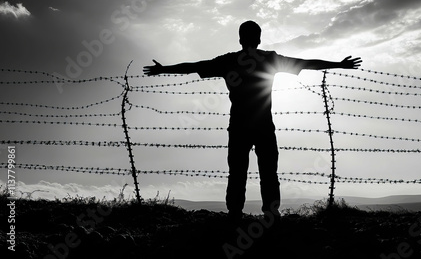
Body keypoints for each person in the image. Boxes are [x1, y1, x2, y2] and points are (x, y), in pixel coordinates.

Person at [143, 20, 362, 222]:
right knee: (268, 173)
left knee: (238, 173)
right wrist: (338, 64)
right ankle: (270, 215)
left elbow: (194, 66)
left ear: (240, 39)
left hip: (239, 126)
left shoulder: (229, 61)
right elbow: (304, 63)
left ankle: (235, 215)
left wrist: (164, 69)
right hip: (264, 126)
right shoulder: (269, 59)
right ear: (259, 39)